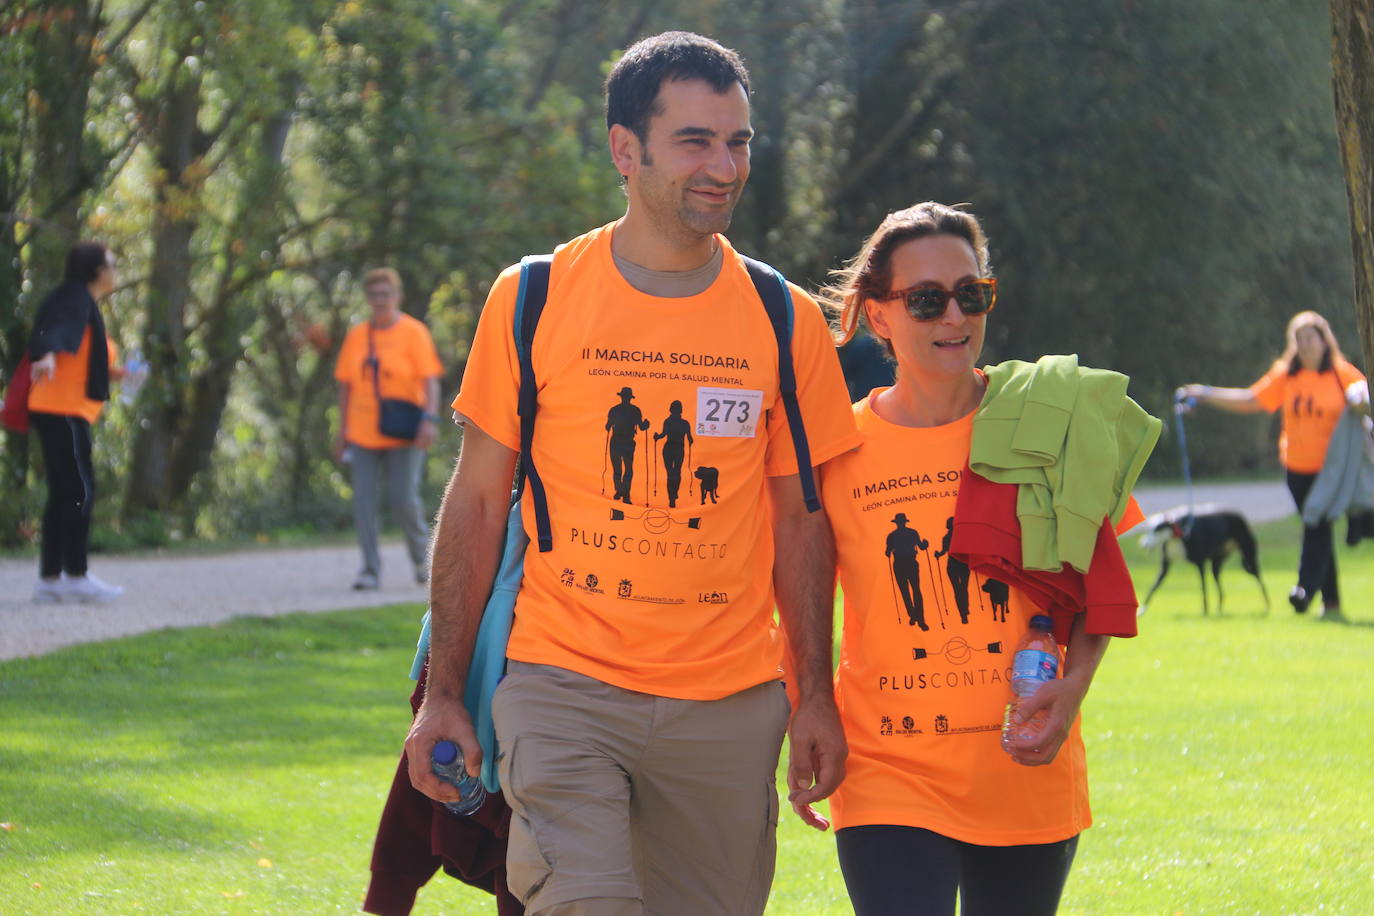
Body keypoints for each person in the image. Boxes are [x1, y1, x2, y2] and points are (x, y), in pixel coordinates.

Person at [404, 32, 860, 916]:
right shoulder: (532, 297)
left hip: (727, 703)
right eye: (695, 141)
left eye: (739, 143)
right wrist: (446, 697)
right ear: (625, 149)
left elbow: (801, 522)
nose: (724, 166)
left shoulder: (782, 316)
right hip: (561, 684)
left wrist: (814, 698)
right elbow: (474, 504)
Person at [815, 202, 1150, 916]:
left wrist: (1077, 685)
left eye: (972, 294)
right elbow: (802, 604)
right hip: (887, 772)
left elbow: (1104, 589)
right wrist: (806, 708)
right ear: (878, 317)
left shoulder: (1047, 419)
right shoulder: (835, 449)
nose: (954, 318)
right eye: (927, 300)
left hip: (1023, 766)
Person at [1178, 310, 1368, 617]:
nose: (1305, 344)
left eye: (1311, 337)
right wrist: (1206, 393)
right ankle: (1330, 602)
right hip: (1296, 468)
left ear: (1324, 340)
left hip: (1332, 470)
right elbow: (1252, 399)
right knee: (1317, 524)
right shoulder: (1286, 375)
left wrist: (1361, 402)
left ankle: (1304, 589)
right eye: (1299, 339)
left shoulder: (1341, 373)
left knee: (1315, 520)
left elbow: (1364, 400)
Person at [333, 267, 444, 590]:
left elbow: (430, 381)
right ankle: (370, 569)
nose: (380, 300)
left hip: (405, 430)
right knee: (364, 501)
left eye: (386, 294)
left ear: (397, 296)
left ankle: (423, 560)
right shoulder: (357, 336)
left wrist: (430, 419)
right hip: (363, 431)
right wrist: (342, 432)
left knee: (403, 498)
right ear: (368, 299)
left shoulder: (414, 332)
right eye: (375, 295)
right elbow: (345, 387)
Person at [27, 241, 125, 604]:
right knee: (78, 491)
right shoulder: (73, 298)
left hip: (65, 409)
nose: (116, 271)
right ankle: (75, 575)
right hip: (61, 410)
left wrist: (118, 375)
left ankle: (51, 580)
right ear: (97, 271)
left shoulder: (80, 301)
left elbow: (81, 356)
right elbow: (53, 331)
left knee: (65, 493)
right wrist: (48, 356)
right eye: (112, 264)